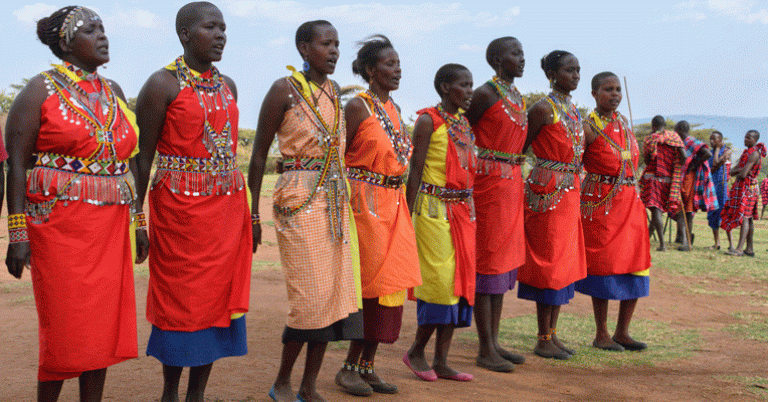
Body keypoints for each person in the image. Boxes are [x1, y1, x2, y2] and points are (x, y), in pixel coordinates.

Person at [4, 6, 138, 401]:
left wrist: (140, 220)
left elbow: (128, 156)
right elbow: (16, 164)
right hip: (60, 230)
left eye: (103, 28)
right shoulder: (39, 89)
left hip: (110, 227)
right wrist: (17, 235)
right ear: (65, 43)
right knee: (65, 328)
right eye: (90, 30)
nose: (102, 36)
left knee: (99, 329)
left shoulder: (112, 91)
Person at [134, 3, 252, 402]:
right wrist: (137, 221)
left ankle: (197, 394)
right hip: (177, 215)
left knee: (216, 303)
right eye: (210, 27)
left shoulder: (228, 85)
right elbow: (143, 159)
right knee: (180, 302)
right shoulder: (161, 84)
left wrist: (250, 216)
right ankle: (170, 392)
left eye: (223, 28)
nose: (220, 35)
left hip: (225, 212)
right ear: (185, 34)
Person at [248, 20, 363, 402]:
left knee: (335, 297)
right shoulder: (285, 90)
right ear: (303, 48)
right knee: (309, 299)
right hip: (297, 199)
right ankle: (282, 380)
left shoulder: (334, 92)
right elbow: (260, 153)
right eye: (325, 44)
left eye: (337, 44)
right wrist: (252, 215)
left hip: (334, 200)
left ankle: (309, 385)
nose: (334, 51)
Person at [333, 35, 421, 396]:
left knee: (392, 286)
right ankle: (349, 367)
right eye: (389, 63)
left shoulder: (394, 109)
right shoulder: (358, 107)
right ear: (370, 70)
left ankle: (368, 365)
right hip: (364, 207)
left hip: (394, 204)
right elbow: (338, 158)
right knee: (369, 286)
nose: (397, 69)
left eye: (398, 63)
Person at [404, 63, 477, 382]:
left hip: (462, 214)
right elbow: (415, 172)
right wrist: (405, 217)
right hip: (433, 213)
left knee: (458, 285)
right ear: (446, 88)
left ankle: (442, 360)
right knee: (439, 284)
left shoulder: (463, 122)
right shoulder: (427, 121)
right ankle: (416, 351)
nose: (471, 91)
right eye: (465, 84)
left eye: (471, 84)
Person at [463, 36, 527, 373]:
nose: (521, 58)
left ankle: (495, 341)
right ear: (496, 60)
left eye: (522, 53)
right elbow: (461, 126)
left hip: (511, 183)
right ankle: (485, 347)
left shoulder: (516, 96)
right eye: (514, 53)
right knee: (487, 261)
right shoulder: (486, 94)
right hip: (487, 183)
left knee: (502, 263)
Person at [575, 72, 651, 352]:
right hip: (602, 204)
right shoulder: (587, 127)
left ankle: (623, 332)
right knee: (605, 267)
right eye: (608, 89)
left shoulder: (624, 122)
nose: (615, 94)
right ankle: (602, 333)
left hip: (631, 203)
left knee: (635, 264)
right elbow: (573, 164)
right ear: (594, 94)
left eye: (618, 89)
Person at [517, 50, 585, 361]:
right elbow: (519, 148)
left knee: (563, 263)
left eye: (578, 70)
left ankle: (553, 335)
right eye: (570, 70)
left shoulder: (573, 111)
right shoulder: (542, 110)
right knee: (548, 262)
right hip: (548, 190)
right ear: (552, 75)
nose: (576, 76)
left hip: (570, 191)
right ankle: (542, 337)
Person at [639, 115, 686, 251]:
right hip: (669, 180)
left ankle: (662, 245)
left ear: (653, 126)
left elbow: (648, 160)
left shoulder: (650, 139)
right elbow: (683, 157)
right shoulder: (675, 138)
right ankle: (647, 239)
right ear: (664, 125)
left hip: (652, 179)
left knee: (656, 209)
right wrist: (675, 165)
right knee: (661, 209)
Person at [721, 130, 766, 257]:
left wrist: (743, 170)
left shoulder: (754, 154)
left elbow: (741, 174)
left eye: (748, 138)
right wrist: (744, 168)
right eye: (745, 137)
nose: (745, 139)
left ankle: (740, 249)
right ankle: (749, 249)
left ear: (755, 140)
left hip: (748, 188)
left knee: (745, 217)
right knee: (749, 218)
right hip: (743, 186)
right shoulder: (747, 152)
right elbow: (733, 171)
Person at [674, 120, 714, 250]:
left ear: (680, 129)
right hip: (683, 178)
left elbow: (707, 153)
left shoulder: (691, 141)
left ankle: (687, 242)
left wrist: (694, 165)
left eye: (675, 130)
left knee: (687, 211)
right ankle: (683, 238)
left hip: (689, 180)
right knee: (680, 210)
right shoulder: (683, 142)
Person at [707, 131, 732, 250]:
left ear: (720, 140)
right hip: (712, 187)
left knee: (725, 214)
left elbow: (716, 163)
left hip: (722, 186)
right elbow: (711, 168)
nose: (712, 142)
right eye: (710, 139)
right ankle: (717, 243)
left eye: (714, 140)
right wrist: (716, 164)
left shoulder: (727, 151)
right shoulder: (709, 153)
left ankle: (731, 244)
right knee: (713, 214)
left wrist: (717, 150)